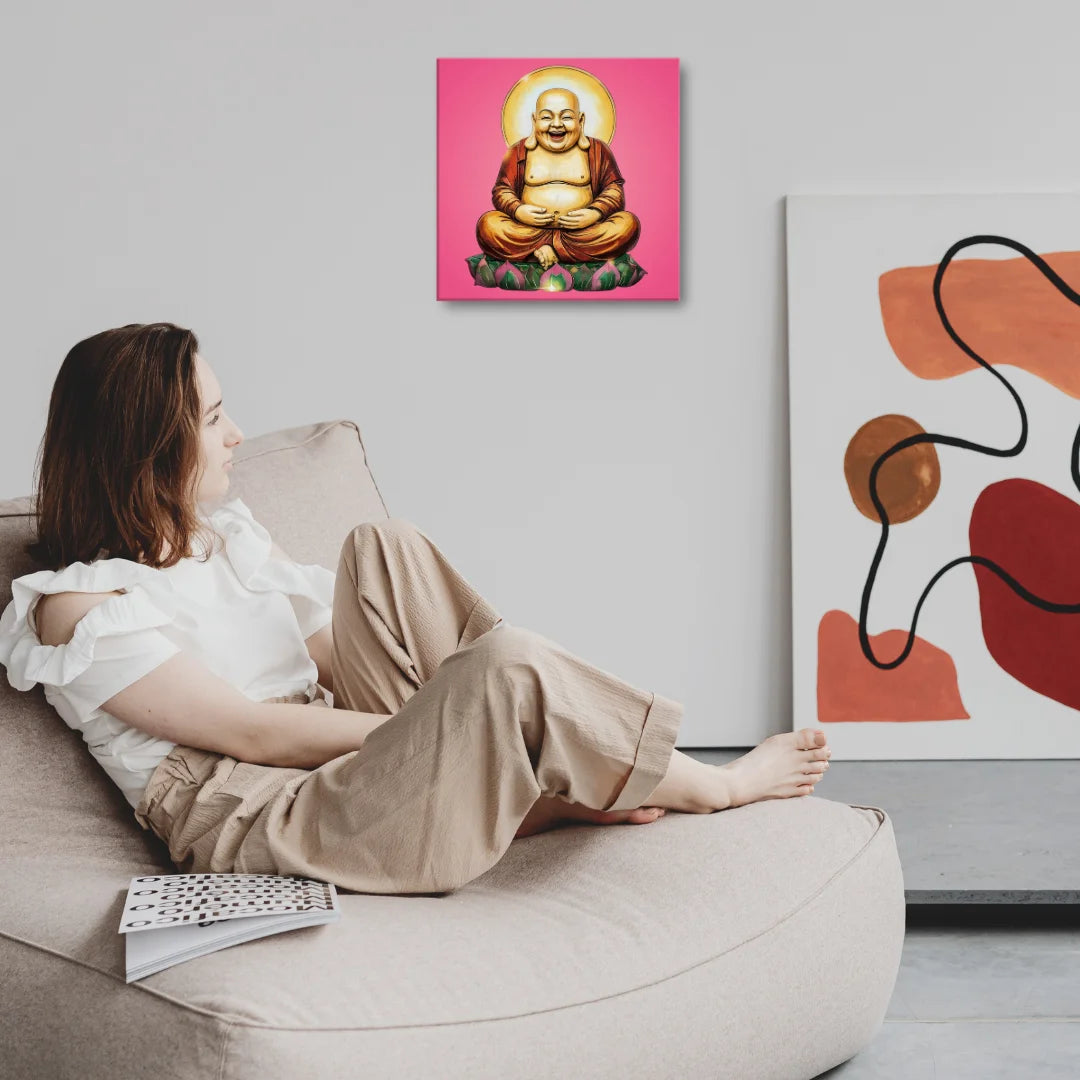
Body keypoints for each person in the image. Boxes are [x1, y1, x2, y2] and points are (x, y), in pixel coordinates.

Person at [0, 323, 831, 896]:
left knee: (383, 547)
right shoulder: (78, 610)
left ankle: (502, 773)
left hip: (341, 766)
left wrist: (453, 726)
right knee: (503, 673)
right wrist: (451, 725)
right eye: (212, 418)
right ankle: (715, 787)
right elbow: (256, 736)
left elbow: (335, 658)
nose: (237, 435)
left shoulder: (223, 539)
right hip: (268, 815)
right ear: (147, 445)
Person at [476, 87, 641, 269]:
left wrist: (595, 213)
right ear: (534, 120)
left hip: (582, 234)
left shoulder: (597, 150)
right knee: (488, 225)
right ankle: (547, 249)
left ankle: (543, 251)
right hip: (530, 233)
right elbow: (502, 189)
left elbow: (613, 189)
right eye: (547, 117)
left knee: (627, 224)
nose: (556, 124)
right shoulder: (519, 150)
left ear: (581, 120)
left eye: (566, 117)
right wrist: (518, 210)